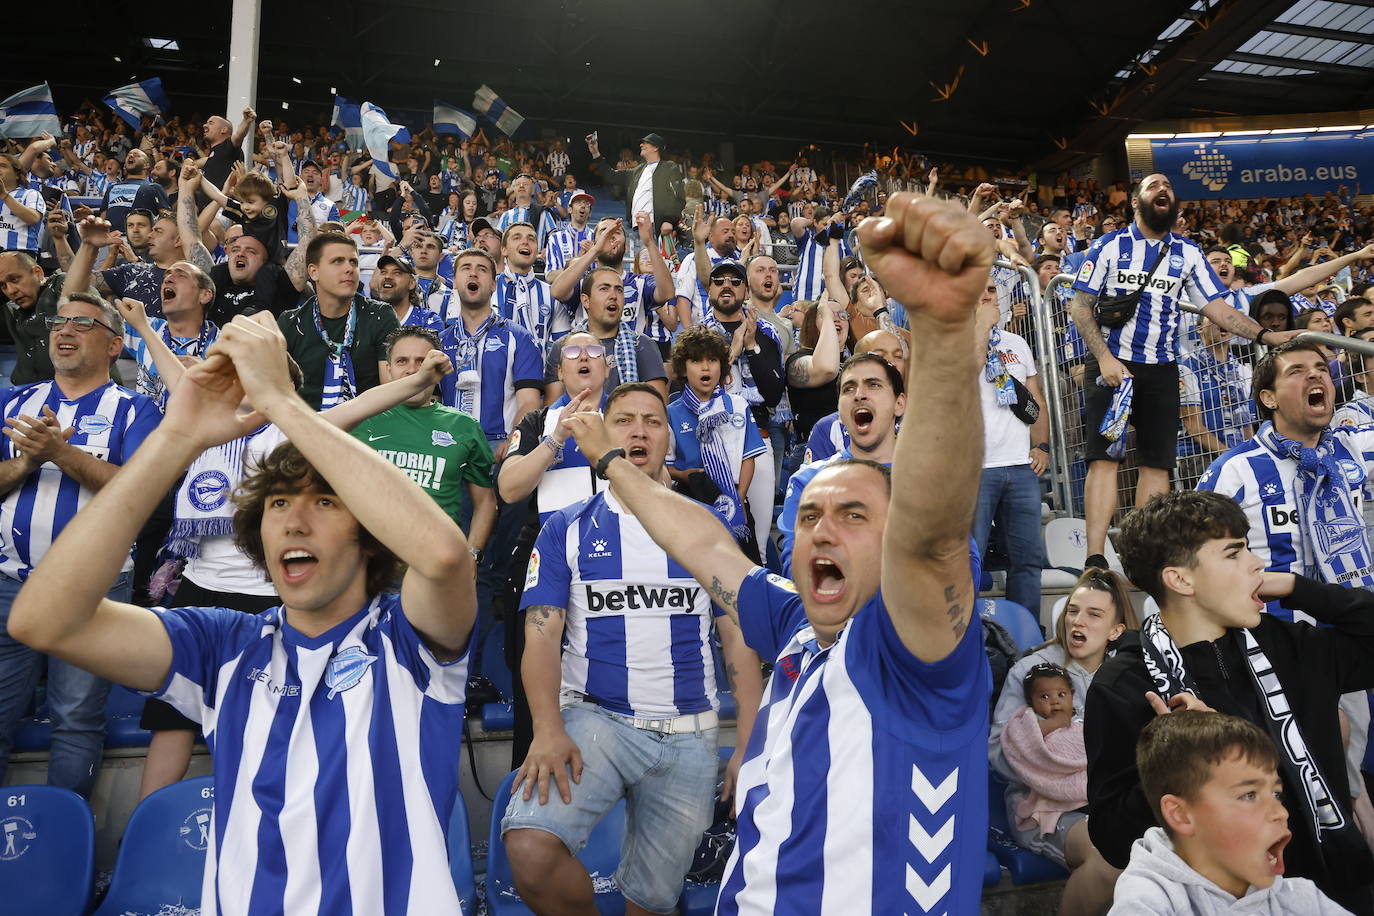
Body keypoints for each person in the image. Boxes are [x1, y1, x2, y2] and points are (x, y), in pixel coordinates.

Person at [560, 192, 995, 913]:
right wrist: (613, 465)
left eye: (855, 514)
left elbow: (935, 529)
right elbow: (703, 541)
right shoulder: (796, 620)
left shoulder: (913, 646)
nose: (821, 530)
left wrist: (943, 332)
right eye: (812, 515)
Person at [6, 312, 478, 912]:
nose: (293, 520)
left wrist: (279, 399)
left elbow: (442, 558)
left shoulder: (409, 639)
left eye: (325, 501)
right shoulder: (223, 643)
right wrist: (174, 441)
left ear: (370, 536)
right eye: (277, 502)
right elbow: (43, 621)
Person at [502, 381, 762, 916]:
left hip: (689, 733)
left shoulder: (706, 527)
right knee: (529, 849)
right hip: (596, 721)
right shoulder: (563, 528)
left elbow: (737, 637)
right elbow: (541, 635)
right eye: (623, 420)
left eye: (652, 420)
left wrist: (746, 744)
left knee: (650, 903)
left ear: (670, 438)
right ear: (601, 433)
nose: (639, 430)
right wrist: (548, 728)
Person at [1086, 489, 1374, 913]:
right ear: (1180, 580)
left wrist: (1299, 589)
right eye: (1235, 553)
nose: (1257, 564)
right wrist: (1186, 757)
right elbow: (1112, 837)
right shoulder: (1125, 683)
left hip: (1336, 892)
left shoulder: (1288, 645)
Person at [1069, 174, 1294, 571]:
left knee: (1157, 463)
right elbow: (1080, 305)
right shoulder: (1108, 245)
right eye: (1155, 185)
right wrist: (1104, 359)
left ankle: (1141, 556)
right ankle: (1094, 556)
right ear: (1136, 201)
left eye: (1169, 187)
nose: (1164, 190)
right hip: (1113, 363)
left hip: (1162, 369)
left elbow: (1218, 309)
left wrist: (1263, 335)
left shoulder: (1188, 253)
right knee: (1105, 459)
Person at [0, 293, 161, 796]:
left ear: (115, 345)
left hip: (93, 587)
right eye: (58, 321)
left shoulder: (136, 409)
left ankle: (62, 854)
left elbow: (139, 491)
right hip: (8, 581)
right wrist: (26, 463)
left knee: (74, 720)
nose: (64, 330)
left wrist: (59, 453)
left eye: (82, 324)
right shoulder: (13, 402)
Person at [990, 568, 1136, 915]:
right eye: (1073, 610)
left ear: (1116, 631)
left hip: (1115, 801)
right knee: (1110, 862)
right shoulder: (1031, 670)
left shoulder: (1130, 673)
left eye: (1093, 614)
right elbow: (997, 752)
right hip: (1046, 809)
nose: (1077, 622)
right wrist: (1051, 758)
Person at [1110, 710, 1352, 915]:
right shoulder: (1146, 901)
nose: (1280, 813)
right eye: (1249, 795)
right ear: (1181, 815)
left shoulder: (1301, 898)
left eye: (1276, 794)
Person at [353, 326, 496, 546]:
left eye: (421, 361)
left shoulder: (464, 427)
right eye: (402, 361)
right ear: (388, 369)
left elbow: (485, 502)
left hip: (436, 563)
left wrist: (471, 554)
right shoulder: (359, 419)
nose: (413, 370)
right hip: (372, 563)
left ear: (438, 369)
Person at [778, 352, 907, 572]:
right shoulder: (809, 482)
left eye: (873, 385)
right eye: (848, 388)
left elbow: (960, 565)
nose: (859, 395)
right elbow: (797, 570)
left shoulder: (929, 483)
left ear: (899, 404)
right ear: (839, 408)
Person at [974, 281, 1049, 614]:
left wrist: (1042, 445)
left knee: (1028, 560)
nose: (986, 294)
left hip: (1021, 467)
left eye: (991, 288)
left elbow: (1036, 400)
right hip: (975, 469)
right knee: (968, 560)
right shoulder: (951, 337)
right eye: (978, 289)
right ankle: (967, 636)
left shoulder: (1017, 343)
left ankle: (1028, 635)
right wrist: (980, 326)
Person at [667, 327, 766, 553]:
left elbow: (747, 457)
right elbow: (668, 466)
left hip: (733, 495)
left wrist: (738, 499)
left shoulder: (737, 405)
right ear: (682, 369)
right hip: (691, 500)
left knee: (743, 563)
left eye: (712, 360)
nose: (705, 367)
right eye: (696, 360)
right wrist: (685, 476)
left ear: (721, 366)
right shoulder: (671, 413)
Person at [278, 231, 400, 408]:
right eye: (337, 261)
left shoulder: (381, 315)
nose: (349, 268)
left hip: (368, 428)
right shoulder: (290, 322)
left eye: (353, 262)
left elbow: (390, 389)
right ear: (313, 272)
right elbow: (278, 391)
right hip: (307, 426)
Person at [543, 266, 668, 403]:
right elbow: (551, 413)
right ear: (585, 300)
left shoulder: (642, 344)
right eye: (604, 289)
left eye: (619, 290)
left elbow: (658, 409)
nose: (613, 296)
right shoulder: (562, 347)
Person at [588, 131, 685, 235]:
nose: (641, 145)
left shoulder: (668, 167)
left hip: (657, 227)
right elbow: (611, 175)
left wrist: (668, 220)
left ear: (656, 147)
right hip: (636, 228)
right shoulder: (638, 171)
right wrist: (595, 153)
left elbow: (677, 196)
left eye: (645, 142)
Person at [0, 250, 63, 383]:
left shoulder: (59, 287)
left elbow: (79, 291)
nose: (10, 291)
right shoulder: (14, 318)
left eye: (14, 279)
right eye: (2, 285)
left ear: (38, 273)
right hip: (28, 397)